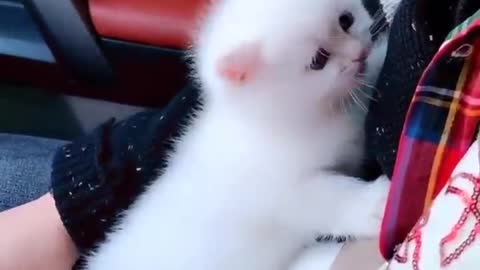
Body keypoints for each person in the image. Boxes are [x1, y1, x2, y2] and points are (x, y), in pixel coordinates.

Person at [0, 0, 478, 269]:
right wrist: (72, 200)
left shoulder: (275, 105)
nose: (354, 49)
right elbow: (279, 197)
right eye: (318, 60)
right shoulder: (253, 130)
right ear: (243, 80)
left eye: (346, 20)